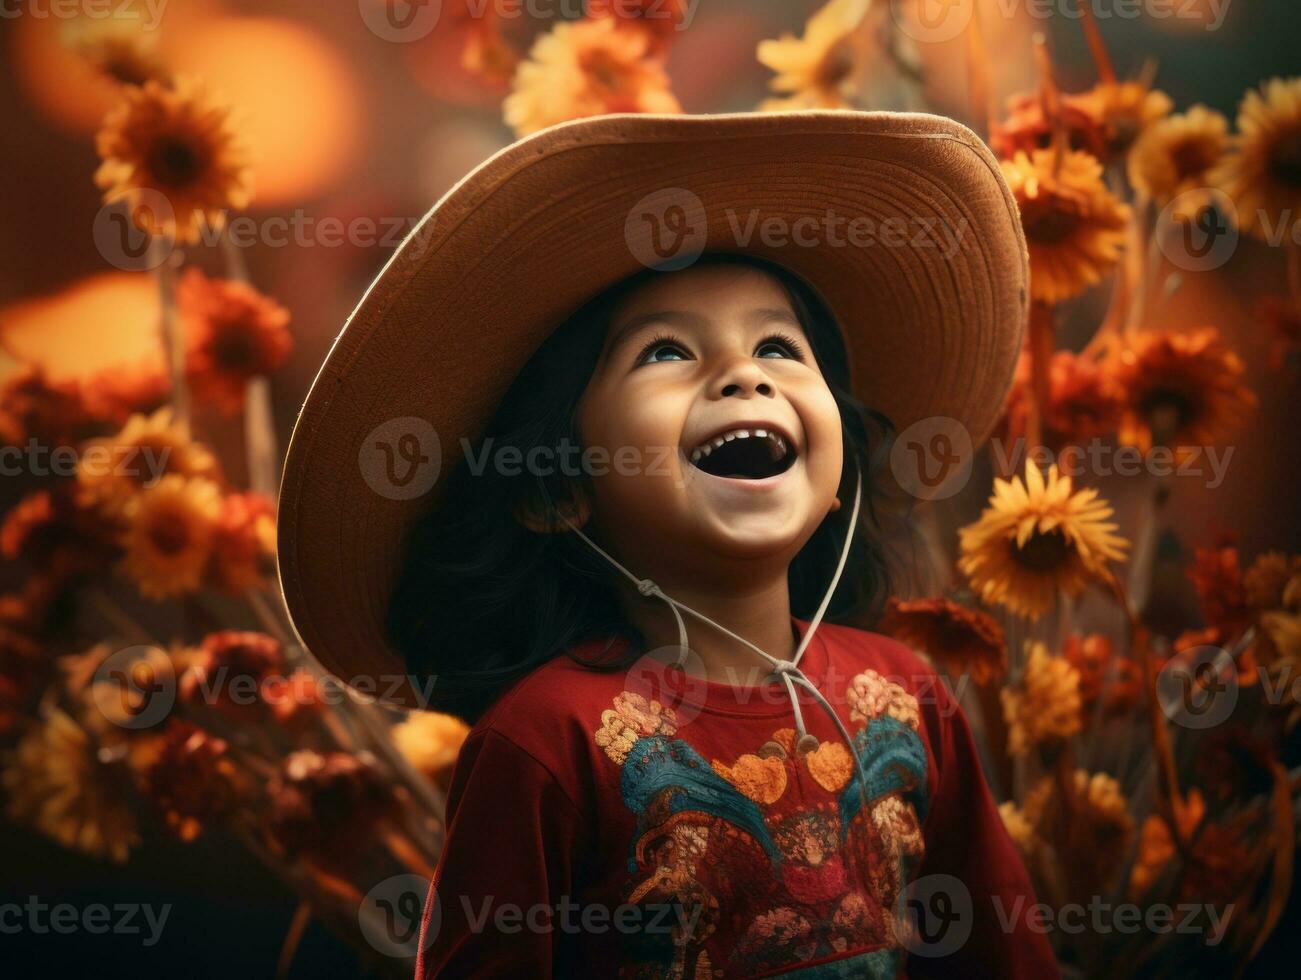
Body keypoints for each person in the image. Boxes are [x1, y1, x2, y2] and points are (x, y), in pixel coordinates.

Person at [277, 111, 1059, 978]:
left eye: (776, 344)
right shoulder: (542, 740)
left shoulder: (909, 694)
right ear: (555, 488)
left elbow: (1002, 956)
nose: (744, 373)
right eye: (664, 352)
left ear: (843, 472)